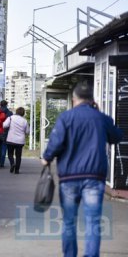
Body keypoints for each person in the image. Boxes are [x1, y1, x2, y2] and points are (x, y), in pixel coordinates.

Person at [42, 82, 123, 257]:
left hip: (69, 177)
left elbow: (56, 143)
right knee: (93, 222)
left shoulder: (66, 117)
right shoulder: (101, 118)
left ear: (74, 99)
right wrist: (99, 113)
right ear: (92, 99)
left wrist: (47, 157)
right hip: (94, 177)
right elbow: (117, 136)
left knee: (69, 222)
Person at [2, 107, 29, 174]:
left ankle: (12, 164)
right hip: (20, 141)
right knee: (18, 156)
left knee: (10, 154)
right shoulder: (24, 121)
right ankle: (17, 170)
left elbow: (4, 125)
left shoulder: (11, 118)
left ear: (16, 111)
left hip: (11, 139)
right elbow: (27, 131)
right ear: (23, 113)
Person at [0, 100, 13, 167]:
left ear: (0, 105)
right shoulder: (10, 113)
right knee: (4, 147)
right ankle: (2, 163)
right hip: (7, 132)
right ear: (6, 105)